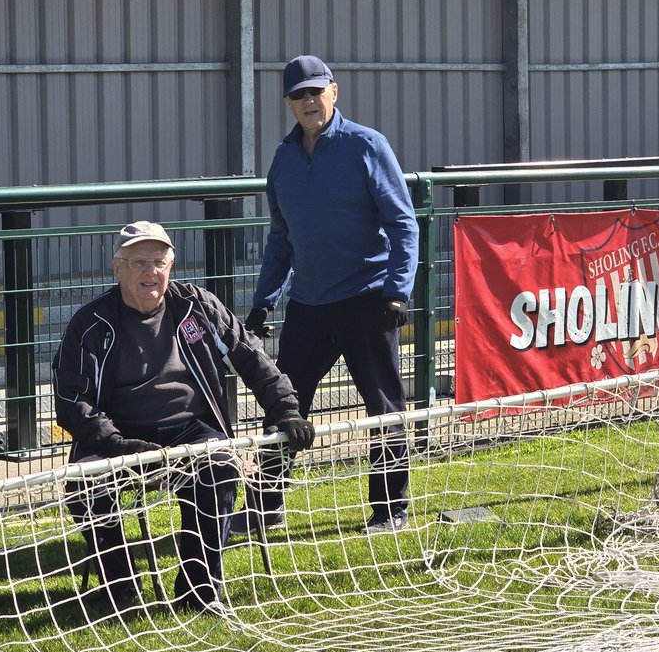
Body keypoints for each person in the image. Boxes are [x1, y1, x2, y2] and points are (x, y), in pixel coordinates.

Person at [53, 221, 314, 615]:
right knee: (84, 486)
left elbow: (251, 355)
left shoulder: (198, 305)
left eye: (158, 262)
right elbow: (72, 400)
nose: (150, 272)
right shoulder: (89, 325)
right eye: (139, 262)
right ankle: (121, 588)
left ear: (171, 266)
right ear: (117, 268)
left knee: (222, 467)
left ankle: (198, 590)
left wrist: (286, 408)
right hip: (117, 437)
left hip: (191, 429)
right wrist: (113, 442)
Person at [237, 55, 419, 534]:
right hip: (309, 304)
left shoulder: (367, 146)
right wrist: (263, 301)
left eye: (316, 91)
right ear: (288, 103)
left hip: (367, 299)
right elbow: (281, 237)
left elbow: (403, 223)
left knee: (384, 407)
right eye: (299, 94)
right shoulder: (283, 160)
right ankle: (263, 508)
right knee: (283, 404)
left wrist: (397, 292)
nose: (309, 101)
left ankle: (391, 510)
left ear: (334, 92)